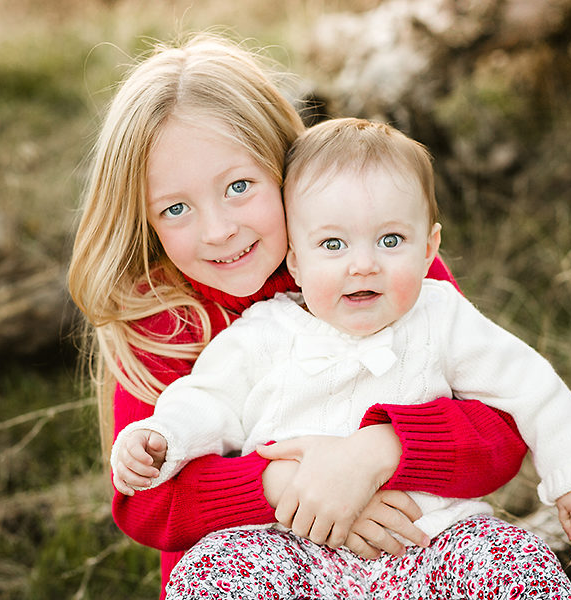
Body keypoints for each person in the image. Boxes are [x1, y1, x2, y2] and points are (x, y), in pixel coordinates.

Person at [68, 34, 531, 599]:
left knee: (510, 564)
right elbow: (147, 505)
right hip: (260, 565)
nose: (218, 230)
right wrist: (292, 486)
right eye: (176, 208)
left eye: (239, 186)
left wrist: (379, 453)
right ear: (145, 220)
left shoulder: (378, 263)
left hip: (418, 547)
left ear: (286, 169)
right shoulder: (161, 318)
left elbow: (506, 427)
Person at [111, 117, 571, 597]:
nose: (363, 264)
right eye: (333, 244)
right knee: (219, 569)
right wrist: (161, 439)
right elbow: (207, 401)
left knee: (511, 561)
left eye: (390, 241)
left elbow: (527, 385)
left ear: (428, 248)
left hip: (426, 541)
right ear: (298, 259)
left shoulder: (435, 311)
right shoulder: (261, 332)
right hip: (286, 549)